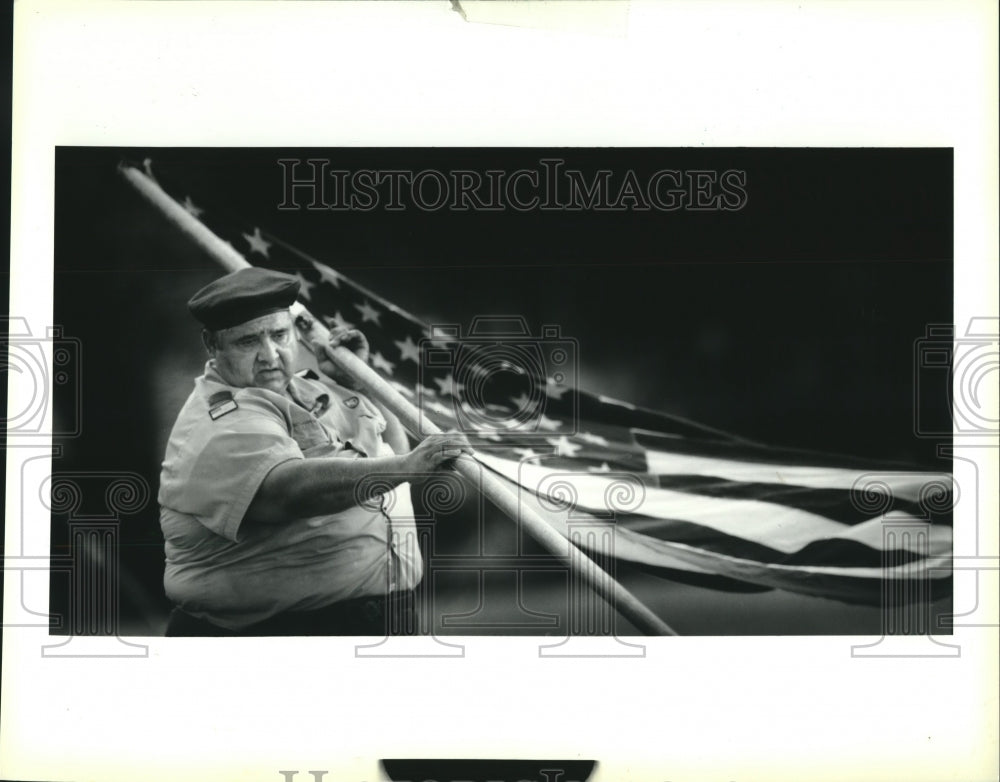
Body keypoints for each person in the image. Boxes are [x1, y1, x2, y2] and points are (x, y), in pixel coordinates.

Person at [157, 266, 468, 636]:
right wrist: (405, 468)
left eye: (279, 335)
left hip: (373, 620)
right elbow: (288, 492)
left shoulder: (311, 389)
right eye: (248, 341)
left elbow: (391, 453)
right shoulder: (222, 417)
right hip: (277, 639)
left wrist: (360, 385)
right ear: (212, 344)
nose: (269, 355)